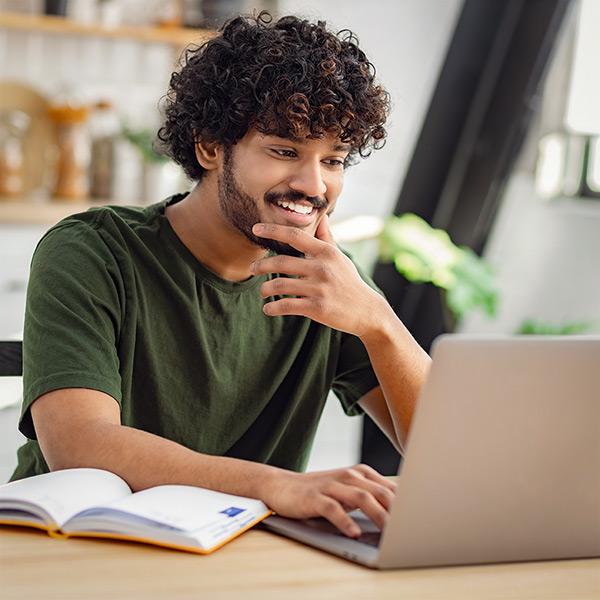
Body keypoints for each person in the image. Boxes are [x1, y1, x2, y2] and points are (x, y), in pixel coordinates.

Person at [11, 12, 430, 539]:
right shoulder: (93, 251)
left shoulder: (329, 286)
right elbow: (81, 445)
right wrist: (276, 485)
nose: (313, 184)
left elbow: (450, 459)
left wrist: (378, 322)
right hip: (69, 546)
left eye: (334, 160)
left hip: (241, 559)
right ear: (210, 147)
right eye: (284, 151)